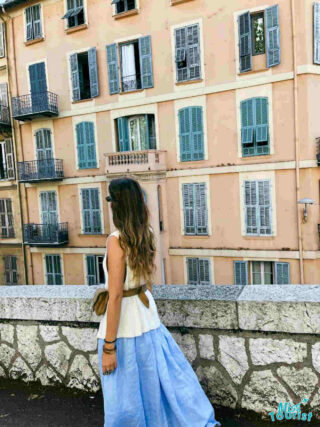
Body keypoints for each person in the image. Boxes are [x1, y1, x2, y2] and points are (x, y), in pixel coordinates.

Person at [96, 177, 221, 427]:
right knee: (157, 384)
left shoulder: (116, 240)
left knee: (126, 392)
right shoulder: (146, 233)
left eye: (110, 200)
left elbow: (117, 294)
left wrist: (109, 347)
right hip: (146, 315)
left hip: (125, 325)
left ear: (117, 205)